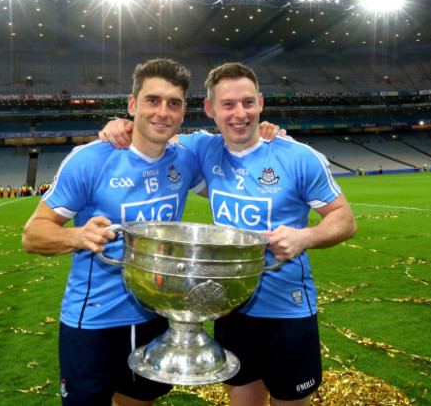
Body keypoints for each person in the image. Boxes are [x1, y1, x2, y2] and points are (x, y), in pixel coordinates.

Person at [100, 62, 357, 405]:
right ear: (210, 109)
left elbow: (344, 219)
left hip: (287, 310)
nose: (240, 113)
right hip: (229, 306)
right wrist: (121, 126)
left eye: (248, 103)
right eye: (228, 104)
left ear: (261, 103)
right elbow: (155, 133)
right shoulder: (205, 150)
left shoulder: (297, 156)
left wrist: (303, 238)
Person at [22, 58, 206, 406]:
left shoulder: (186, 161)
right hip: (93, 321)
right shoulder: (90, 160)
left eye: (174, 103)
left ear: (183, 112)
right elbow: (33, 234)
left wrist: (271, 136)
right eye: (152, 100)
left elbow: (238, 179)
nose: (163, 112)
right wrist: (77, 237)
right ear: (132, 105)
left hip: (154, 315)